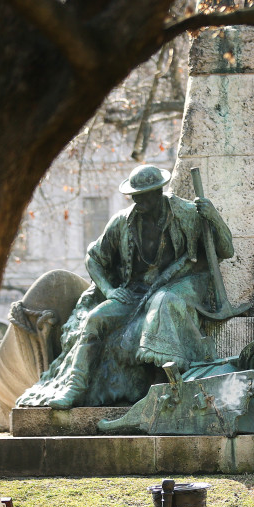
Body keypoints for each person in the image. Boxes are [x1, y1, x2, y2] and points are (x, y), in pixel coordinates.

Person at [17, 164, 235, 409]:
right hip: (135, 292)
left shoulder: (185, 213)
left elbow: (226, 250)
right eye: (134, 196)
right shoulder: (122, 221)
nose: (137, 201)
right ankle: (74, 386)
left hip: (178, 284)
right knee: (95, 319)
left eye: (142, 196)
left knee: (163, 302)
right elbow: (93, 258)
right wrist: (109, 291)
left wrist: (213, 216)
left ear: (157, 193)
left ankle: (167, 386)